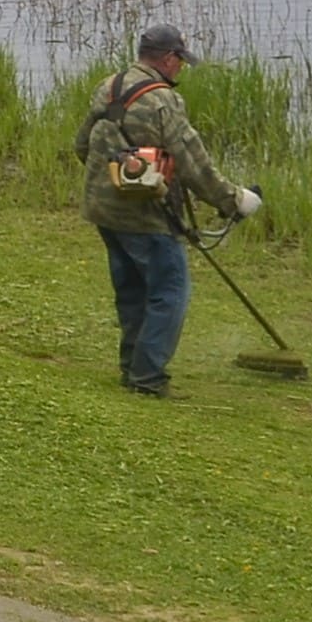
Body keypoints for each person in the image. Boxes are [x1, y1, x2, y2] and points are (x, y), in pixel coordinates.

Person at [77, 22, 260, 395]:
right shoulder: (164, 101)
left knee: (131, 291)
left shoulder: (108, 86)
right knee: (170, 292)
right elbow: (193, 164)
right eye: (180, 60)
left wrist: (117, 177)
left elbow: (83, 145)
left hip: (103, 210)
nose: (181, 68)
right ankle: (148, 377)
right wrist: (234, 200)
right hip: (146, 217)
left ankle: (132, 368)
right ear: (169, 58)